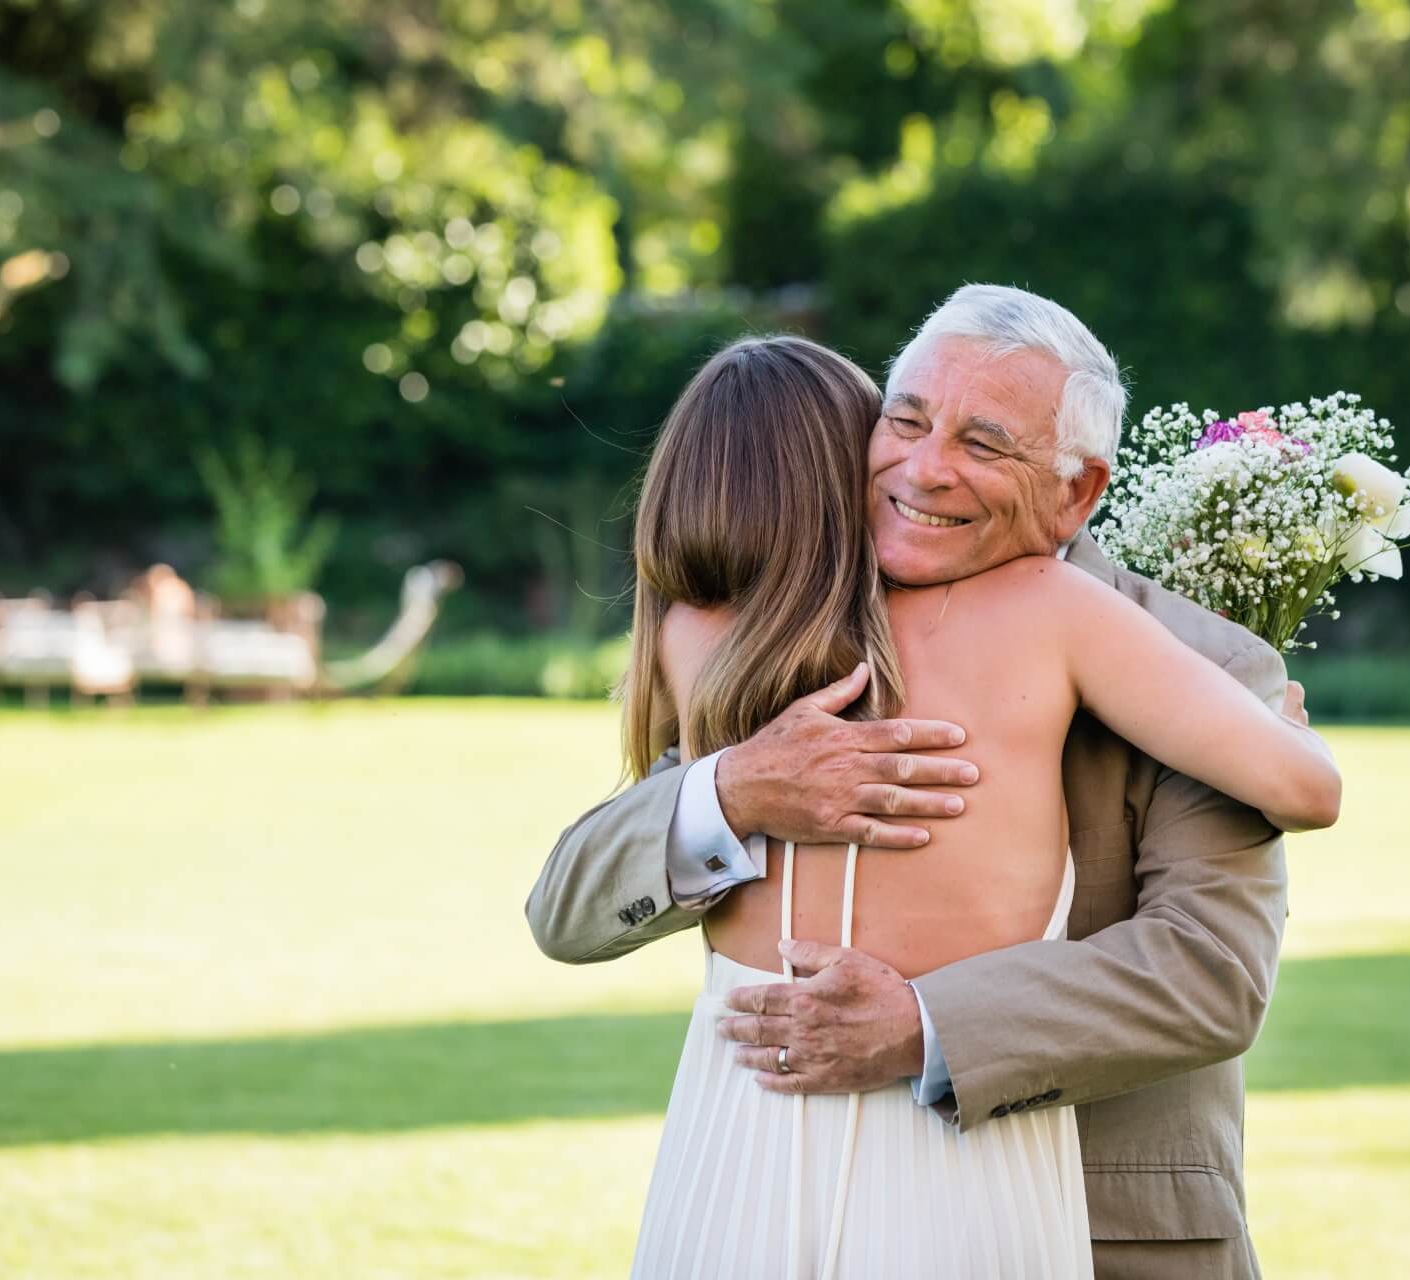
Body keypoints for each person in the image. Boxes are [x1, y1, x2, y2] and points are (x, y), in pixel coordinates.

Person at [528, 286, 1334, 1278]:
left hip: (1105, 1222)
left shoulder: (1205, 664)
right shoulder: (797, 631)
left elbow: (1208, 974)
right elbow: (568, 906)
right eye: (904, 421)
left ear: (1077, 493)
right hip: (776, 1178)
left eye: (984, 443)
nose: (925, 466)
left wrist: (921, 1024)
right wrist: (733, 790)